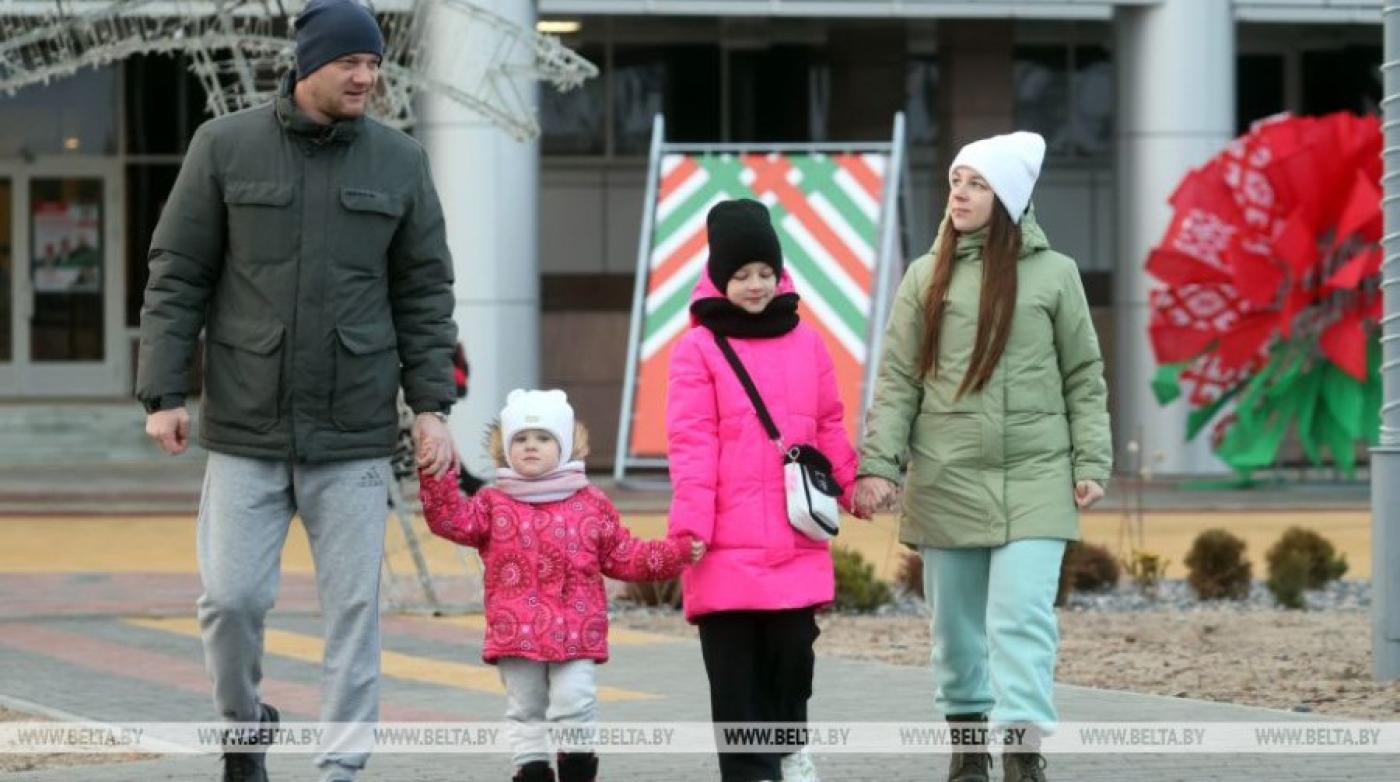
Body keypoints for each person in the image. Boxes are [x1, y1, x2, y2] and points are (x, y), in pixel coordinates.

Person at [135, 1, 458, 780]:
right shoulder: (224, 146)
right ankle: (244, 729)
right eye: (350, 62)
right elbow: (179, 276)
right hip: (245, 423)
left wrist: (432, 407)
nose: (366, 76)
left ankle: (340, 766)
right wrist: (165, 392)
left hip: (354, 431)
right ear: (308, 63)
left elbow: (423, 293)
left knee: (353, 611)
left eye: (374, 63)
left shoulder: (400, 161)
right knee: (231, 601)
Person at [853, 131, 1112, 782]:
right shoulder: (925, 275)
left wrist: (1091, 460)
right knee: (957, 631)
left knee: (1022, 620)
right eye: (956, 181)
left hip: (1037, 474)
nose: (960, 194)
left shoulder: (1057, 275)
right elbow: (899, 381)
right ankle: (969, 755)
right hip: (947, 475)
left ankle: (1022, 756)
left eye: (977, 184)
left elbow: (1083, 375)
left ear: (1010, 196)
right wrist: (880, 465)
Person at [665, 199, 862, 782]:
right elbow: (691, 445)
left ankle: (791, 746)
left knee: (792, 659)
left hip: (795, 538)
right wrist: (690, 529)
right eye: (742, 274)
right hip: (723, 545)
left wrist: (854, 487)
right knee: (735, 682)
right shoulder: (696, 349)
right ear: (718, 278)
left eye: (765, 272)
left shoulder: (809, 342)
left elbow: (828, 425)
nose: (755, 285)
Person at [416, 388, 704, 782]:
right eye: (520, 438)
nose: (530, 446)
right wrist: (437, 476)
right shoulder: (492, 503)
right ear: (505, 448)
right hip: (516, 631)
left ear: (566, 446)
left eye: (543, 438)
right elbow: (450, 521)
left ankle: (578, 766)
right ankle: (531, 769)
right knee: (525, 709)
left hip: (576, 631)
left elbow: (624, 554)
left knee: (575, 702)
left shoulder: (590, 503)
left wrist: (675, 553)